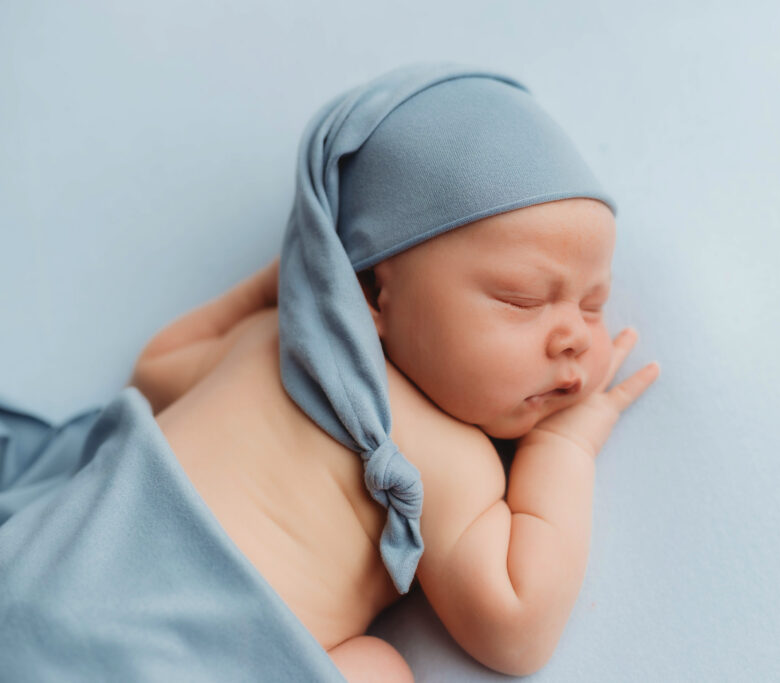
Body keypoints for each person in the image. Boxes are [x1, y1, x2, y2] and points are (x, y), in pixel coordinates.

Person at [0, 63, 658, 682]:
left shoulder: (265, 340)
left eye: (593, 305)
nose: (575, 337)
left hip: (37, 573)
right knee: (379, 666)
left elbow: (153, 371)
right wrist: (563, 447)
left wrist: (283, 285)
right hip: (171, 657)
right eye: (521, 299)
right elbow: (516, 629)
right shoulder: (448, 461)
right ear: (373, 293)